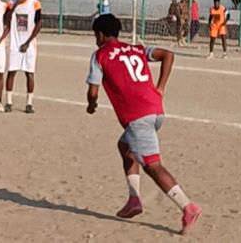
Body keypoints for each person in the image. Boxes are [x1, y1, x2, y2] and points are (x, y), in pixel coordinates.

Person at [85, 14, 201, 234]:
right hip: (155, 110)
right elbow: (168, 54)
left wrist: (91, 105)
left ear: (99, 35)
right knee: (125, 147)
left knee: (153, 166)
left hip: (138, 117)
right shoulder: (136, 49)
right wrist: (161, 88)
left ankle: (188, 207)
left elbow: (93, 91)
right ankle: (134, 199)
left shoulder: (100, 55)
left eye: (95, 35)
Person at [5, 0, 42, 114]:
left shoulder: (35, 4)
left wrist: (29, 41)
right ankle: (9, 101)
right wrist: (14, 6)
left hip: (29, 45)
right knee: (11, 72)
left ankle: (29, 103)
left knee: (29, 73)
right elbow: (6, 20)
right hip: (15, 43)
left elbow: (39, 23)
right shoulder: (11, 3)